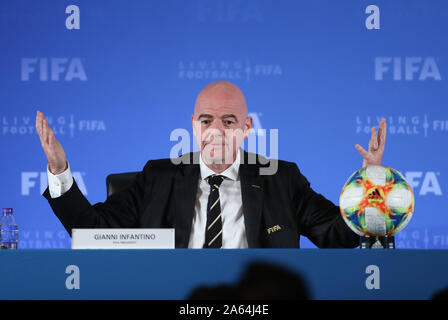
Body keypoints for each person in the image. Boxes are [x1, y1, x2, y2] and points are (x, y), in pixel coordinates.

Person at [35, 80, 387, 248]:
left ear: (247, 129)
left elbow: (338, 235)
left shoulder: (281, 178)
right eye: (206, 121)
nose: (216, 130)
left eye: (229, 121)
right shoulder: (158, 177)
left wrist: (371, 183)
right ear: (193, 125)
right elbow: (92, 232)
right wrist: (59, 170)